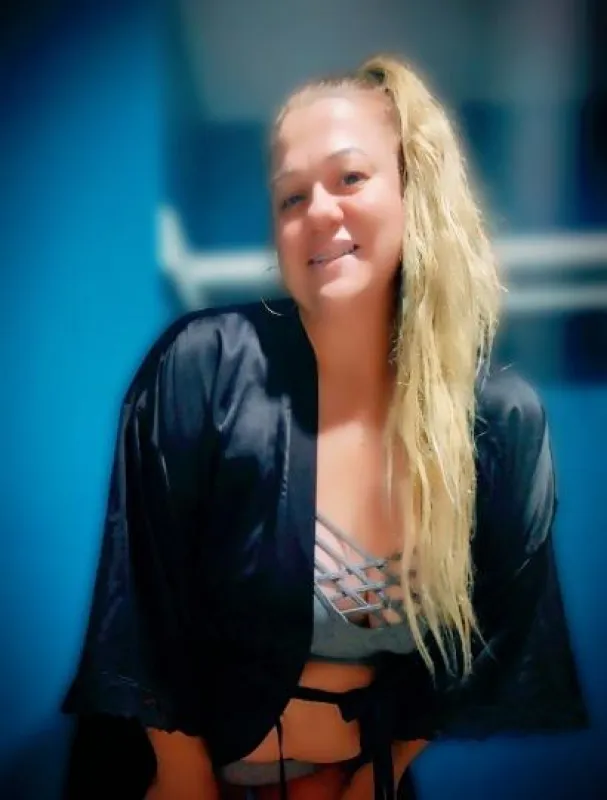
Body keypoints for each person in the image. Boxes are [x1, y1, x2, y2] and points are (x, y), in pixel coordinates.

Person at [61, 54, 588, 800]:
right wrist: (184, 780)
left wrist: (373, 780)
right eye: (291, 196)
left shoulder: (499, 422)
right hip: (175, 776)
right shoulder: (204, 367)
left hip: (358, 779)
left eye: (349, 178)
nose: (317, 212)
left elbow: (497, 636)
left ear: (414, 190)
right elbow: (141, 608)